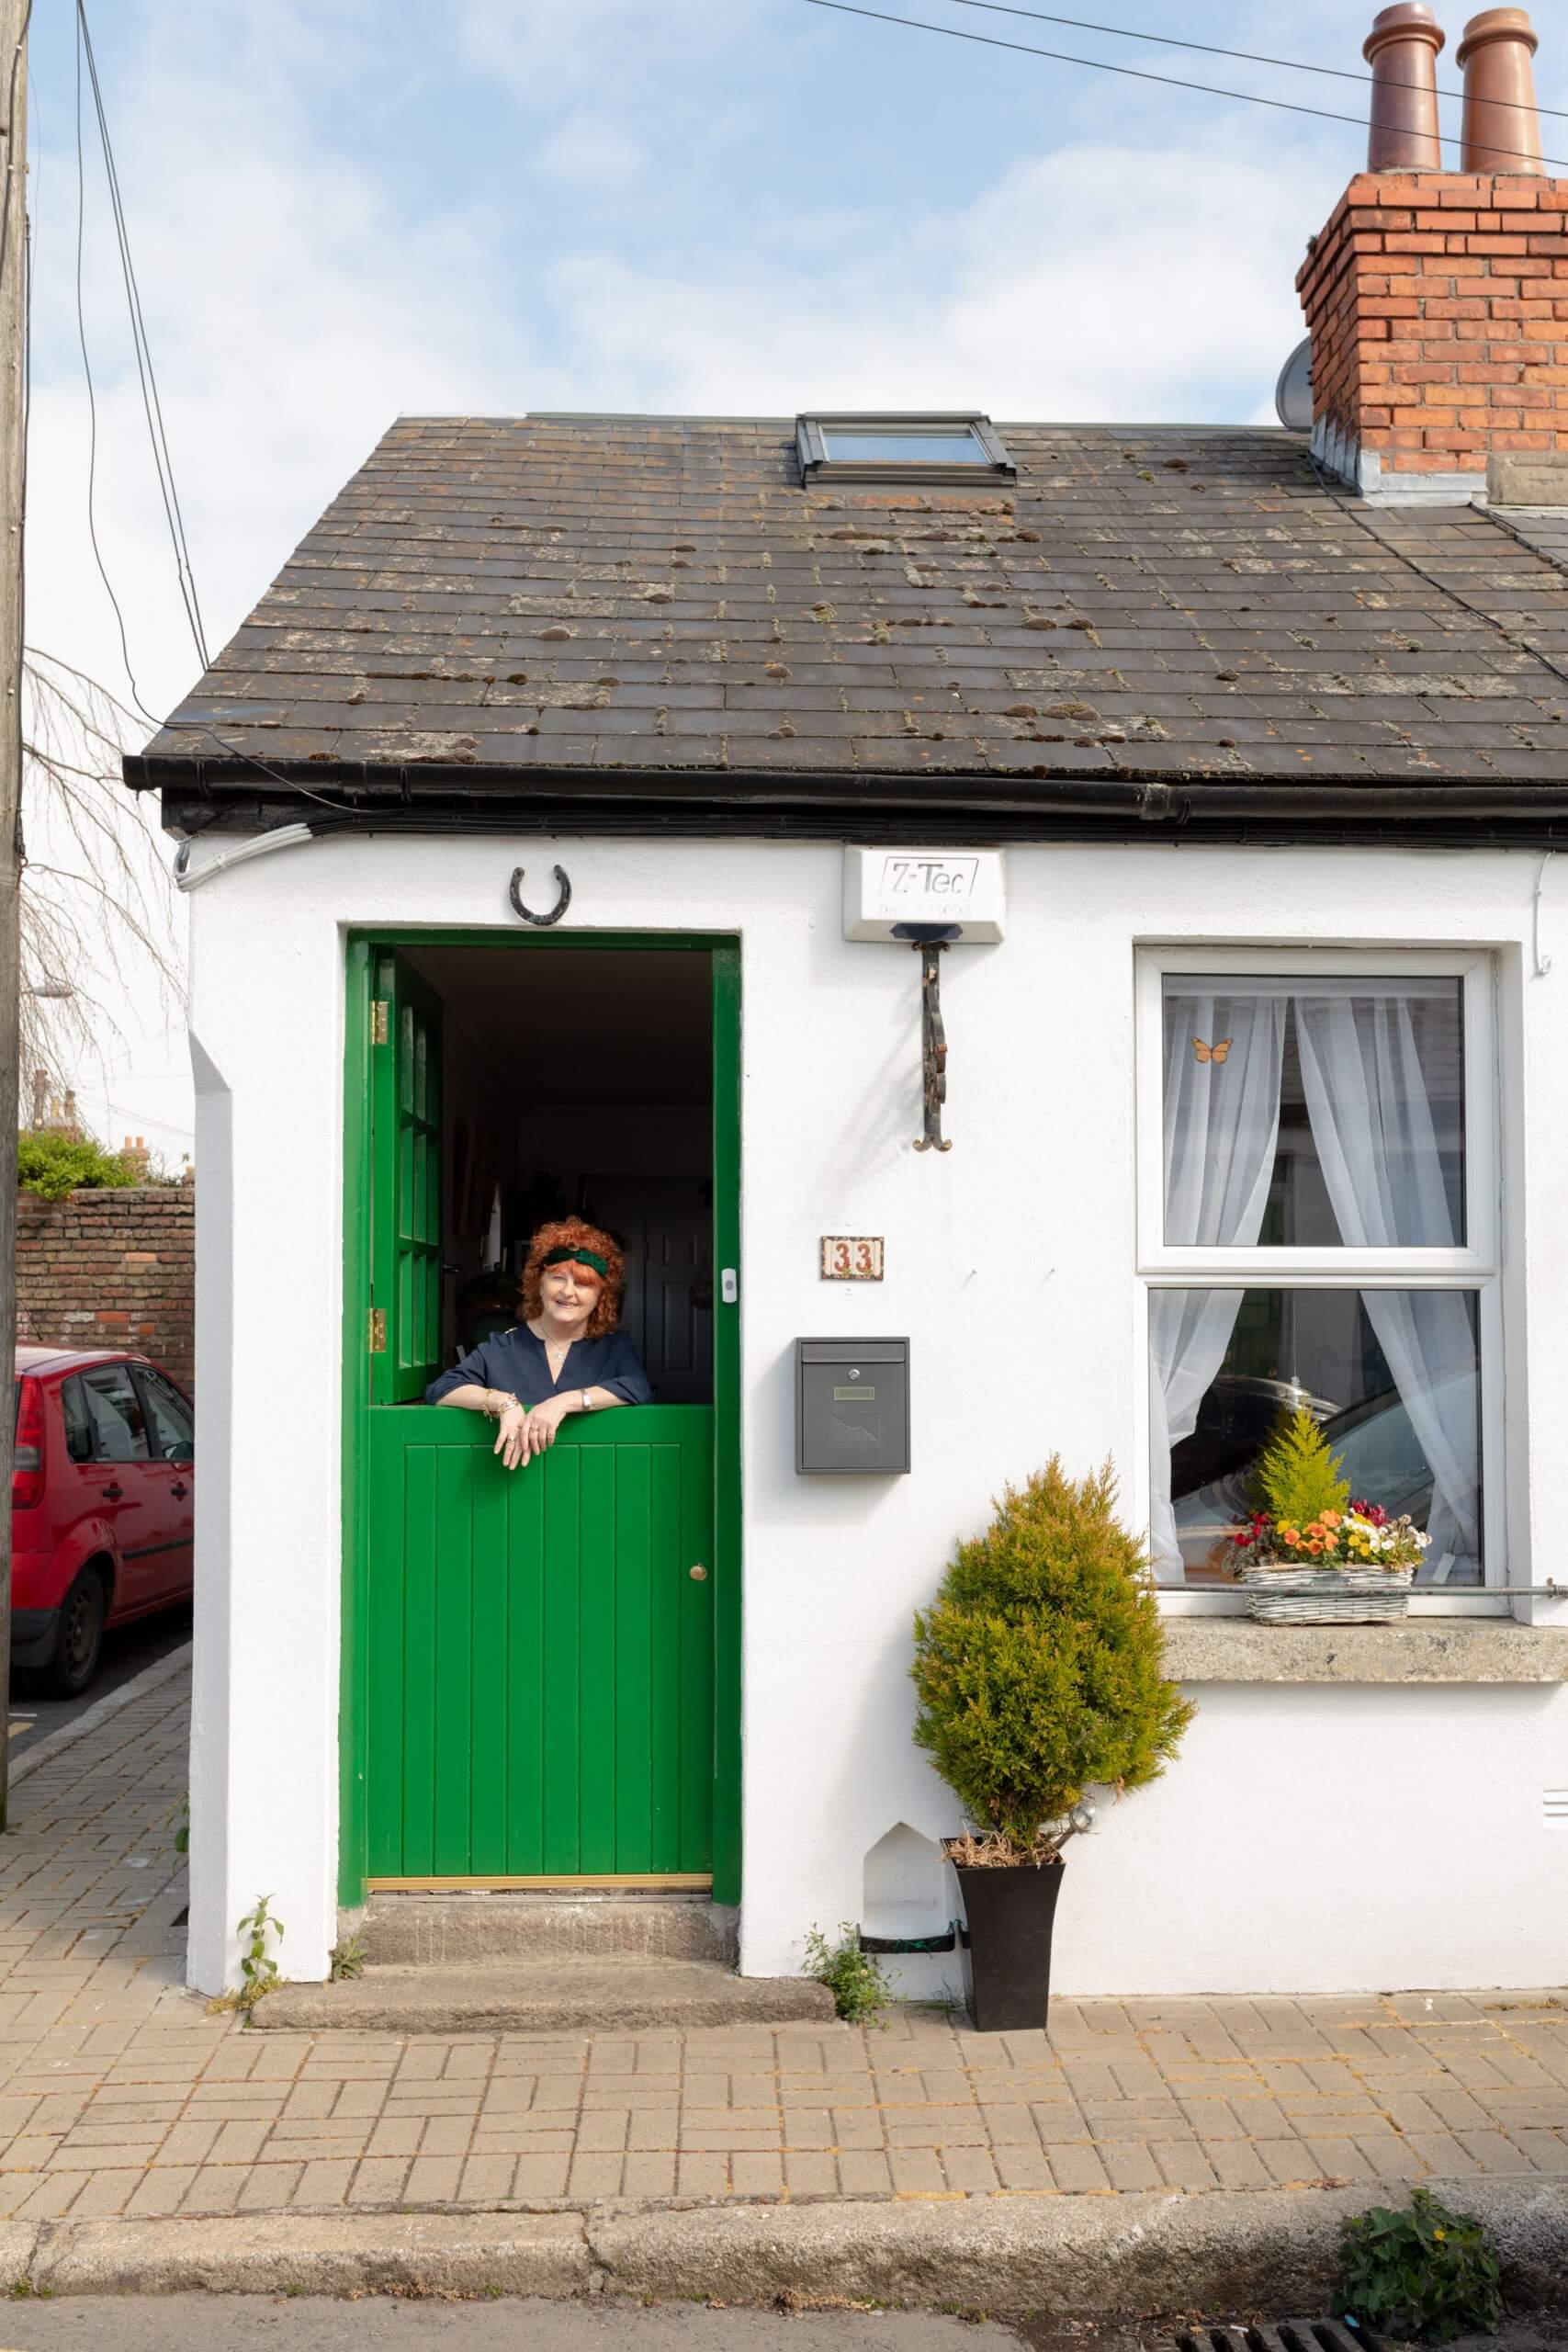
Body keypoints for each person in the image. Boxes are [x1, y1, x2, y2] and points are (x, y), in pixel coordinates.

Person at [426, 1217, 651, 1469]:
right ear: (539, 1284)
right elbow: (442, 1389)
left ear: (601, 1297)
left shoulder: (614, 1347)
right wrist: (504, 1403)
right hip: (509, 1490)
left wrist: (564, 1402)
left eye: (583, 1284)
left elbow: (637, 1388)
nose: (568, 1292)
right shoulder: (501, 1347)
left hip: (592, 1483)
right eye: (557, 1278)